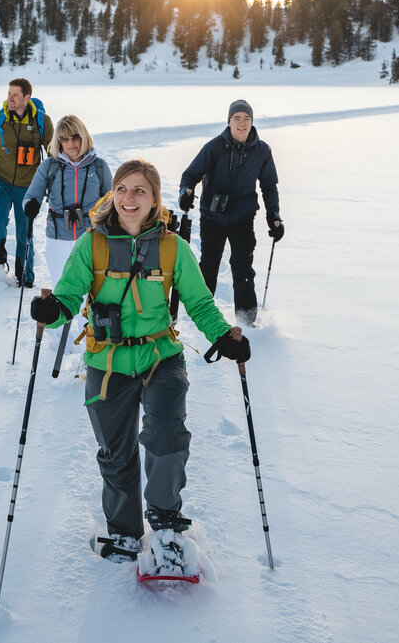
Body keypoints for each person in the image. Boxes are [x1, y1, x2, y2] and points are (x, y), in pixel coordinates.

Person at [29, 159, 250, 566]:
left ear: (154, 200)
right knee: (115, 452)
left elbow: (200, 302)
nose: (129, 199)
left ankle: (165, 521)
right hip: (106, 361)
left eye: (140, 191)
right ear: (113, 194)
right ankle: (124, 533)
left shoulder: (172, 248)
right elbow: (67, 299)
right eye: (123, 189)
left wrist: (222, 336)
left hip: (159, 357)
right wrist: (50, 311)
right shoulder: (91, 245)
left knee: (166, 437)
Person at [178, 99, 283, 327]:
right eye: (237, 118)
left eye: (246, 118)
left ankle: (246, 321)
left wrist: (273, 216)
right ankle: (201, 314)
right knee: (208, 265)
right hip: (212, 216)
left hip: (243, 218)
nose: (242, 123)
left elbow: (269, 186)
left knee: (243, 267)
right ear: (229, 121)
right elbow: (190, 175)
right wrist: (185, 192)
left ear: (252, 122)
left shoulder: (262, 151)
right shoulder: (215, 146)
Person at [0, 78, 53, 287]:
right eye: (9, 93)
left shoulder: (42, 122)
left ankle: (24, 272)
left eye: (15, 95)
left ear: (27, 97)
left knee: (24, 229)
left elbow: (54, 153)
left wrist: (53, 178)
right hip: (2, 179)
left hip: (28, 185)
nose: (10, 98)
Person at [22, 114, 112, 287]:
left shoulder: (100, 167)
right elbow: (31, 195)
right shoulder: (49, 166)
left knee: (90, 292)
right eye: (64, 139)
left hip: (91, 239)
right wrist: (31, 205)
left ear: (84, 137)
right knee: (62, 290)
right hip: (57, 239)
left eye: (75, 137)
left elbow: (112, 200)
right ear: (58, 141)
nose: (71, 144)